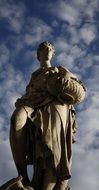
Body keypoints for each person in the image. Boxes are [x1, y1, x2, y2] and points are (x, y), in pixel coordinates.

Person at [10, 41, 86, 190]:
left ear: (53, 53)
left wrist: (64, 78)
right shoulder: (35, 76)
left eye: (49, 49)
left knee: (51, 147)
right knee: (16, 120)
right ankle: (23, 176)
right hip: (31, 103)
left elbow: (79, 89)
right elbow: (29, 94)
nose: (46, 51)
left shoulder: (59, 70)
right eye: (42, 49)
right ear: (38, 55)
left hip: (54, 104)